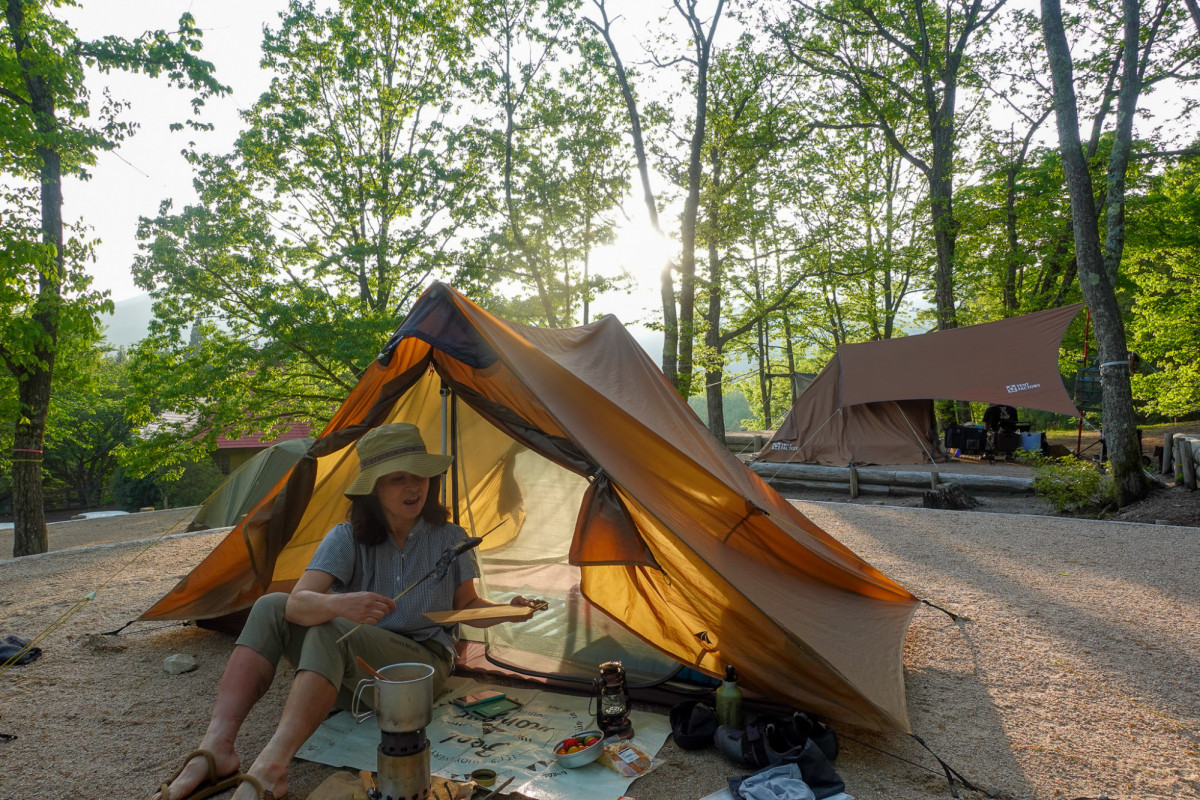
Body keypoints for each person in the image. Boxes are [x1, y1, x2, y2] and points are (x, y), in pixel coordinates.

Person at [155, 423, 539, 800]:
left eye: (420, 476)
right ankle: (217, 747)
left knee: (328, 629)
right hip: (350, 672)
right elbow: (298, 601)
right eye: (397, 479)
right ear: (373, 488)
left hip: (418, 670)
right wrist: (342, 603)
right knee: (271, 604)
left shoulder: (451, 538)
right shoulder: (346, 537)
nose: (413, 487)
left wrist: (510, 611)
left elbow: (466, 607)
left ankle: (272, 766)